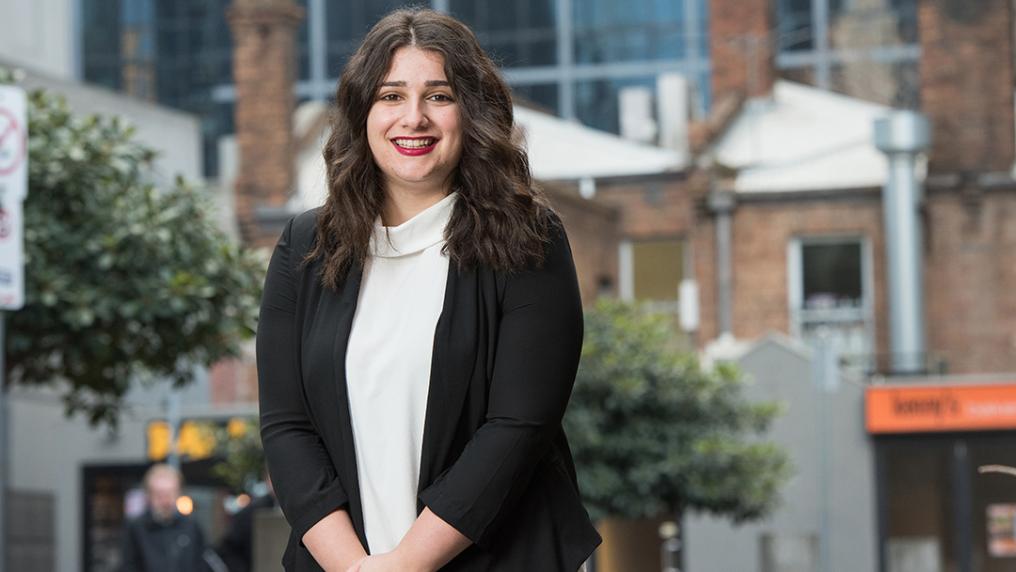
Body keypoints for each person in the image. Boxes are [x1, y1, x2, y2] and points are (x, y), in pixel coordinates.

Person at [257, 8, 601, 571]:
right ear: (362, 112)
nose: (412, 118)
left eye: (438, 96)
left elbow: (518, 428)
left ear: (471, 112)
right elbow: (286, 426)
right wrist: (354, 568)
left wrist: (406, 565)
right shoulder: (305, 247)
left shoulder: (528, 239)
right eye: (390, 96)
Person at [119, 463, 210, 572]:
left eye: (170, 493)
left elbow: (201, 563)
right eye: (159, 495)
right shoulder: (136, 528)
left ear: (178, 493)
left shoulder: (192, 526)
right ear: (148, 495)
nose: (165, 501)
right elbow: (129, 566)